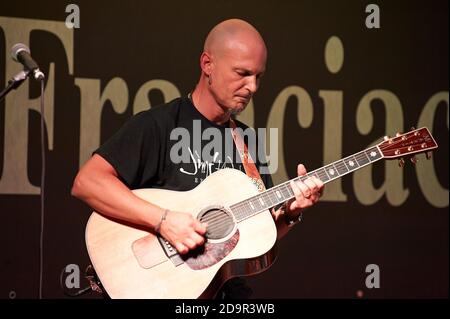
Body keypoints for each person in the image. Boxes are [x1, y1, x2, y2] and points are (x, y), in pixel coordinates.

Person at [71, 18, 324, 298]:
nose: (252, 87)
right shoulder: (159, 125)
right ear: (207, 64)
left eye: (258, 76)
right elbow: (87, 182)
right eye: (242, 73)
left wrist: (290, 213)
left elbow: (257, 235)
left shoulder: (248, 142)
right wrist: (163, 220)